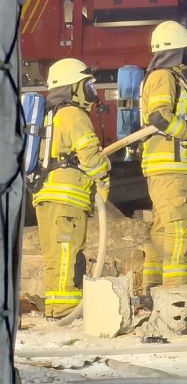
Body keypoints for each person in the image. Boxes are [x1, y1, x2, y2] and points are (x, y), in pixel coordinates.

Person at [33, 58, 110, 318]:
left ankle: (56, 307)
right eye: (87, 85)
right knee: (67, 252)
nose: (91, 91)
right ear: (73, 87)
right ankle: (66, 309)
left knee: (55, 255)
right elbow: (89, 155)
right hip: (67, 198)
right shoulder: (73, 114)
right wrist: (104, 174)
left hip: (46, 195)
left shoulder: (50, 115)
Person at [140, 21, 187, 293]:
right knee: (179, 229)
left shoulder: (170, 77)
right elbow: (159, 117)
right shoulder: (163, 77)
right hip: (171, 167)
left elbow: (172, 114)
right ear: (178, 49)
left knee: (163, 229)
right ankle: (175, 293)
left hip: (167, 169)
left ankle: (153, 289)